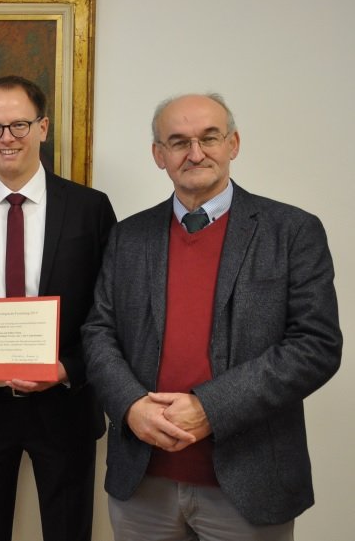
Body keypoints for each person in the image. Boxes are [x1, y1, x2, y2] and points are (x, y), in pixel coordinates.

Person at [81, 93, 342, 540]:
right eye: (178, 141)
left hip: (250, 482)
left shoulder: (292, 231)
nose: (195, 153)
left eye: (209, 138)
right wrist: (131, 407)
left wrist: (210, 408)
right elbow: (98, 331)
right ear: (158, 155)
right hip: (143, 482)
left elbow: (315, 346)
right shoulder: (129, 236)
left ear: (233, 143)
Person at [0, 75, 116, 541]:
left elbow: (110, 312)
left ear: (43, 128)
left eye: (19, 125)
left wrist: (66, 368)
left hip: (66, 405)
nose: (7, 138)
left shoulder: (90, 210)